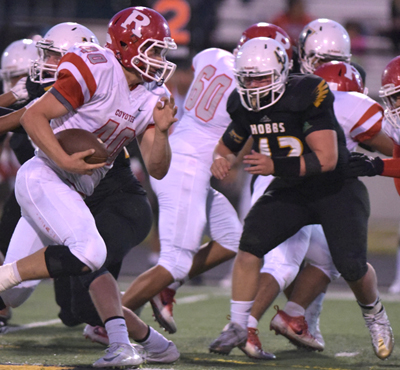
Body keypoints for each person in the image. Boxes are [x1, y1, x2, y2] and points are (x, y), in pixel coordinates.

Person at [0, 7, 179, 368]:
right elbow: (33, 116)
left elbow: (157, 168)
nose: (159, 59)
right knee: (90, 253)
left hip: (77, 188)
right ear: (128, 45)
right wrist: (65, 162)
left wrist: (160, 132)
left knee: (19, 294)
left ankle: (143, 343)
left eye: (162, 51)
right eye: (154, 49)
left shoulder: (150, 94)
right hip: (45, 177)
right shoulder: (96, 67)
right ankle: (121, 344)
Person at [208, 36, 394, 361]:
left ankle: (374, 313)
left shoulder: (308, 93)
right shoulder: (242, 102)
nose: (253, 85)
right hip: (290, 185)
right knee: (250, 245)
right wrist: (222, 158)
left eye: (261, 77)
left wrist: (272, 165)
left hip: (335, 186)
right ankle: (239, 324)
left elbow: (327, 159)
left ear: (281, 71)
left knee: (350, 265)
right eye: (247, 78)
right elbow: (229, 143)